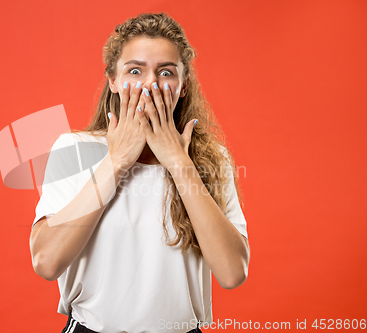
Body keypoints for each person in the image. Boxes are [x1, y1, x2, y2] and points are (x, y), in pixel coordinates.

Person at [29, 12, 250, 333]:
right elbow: (46, 262)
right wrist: (116, 161)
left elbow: (232, 273)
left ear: (183, 85)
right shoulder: (74, 148)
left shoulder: (213, 160)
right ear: (113, 81)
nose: (150, 83)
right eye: (135, 70)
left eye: (166, 72)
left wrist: (179, 162)